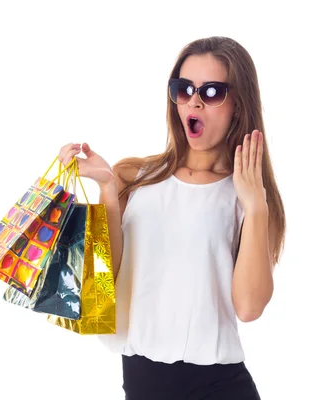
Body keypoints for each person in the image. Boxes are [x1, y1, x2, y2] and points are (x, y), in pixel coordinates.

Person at [58, 36, 286, 400]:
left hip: (220, 384)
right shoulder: (135, 176)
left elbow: (248, 307)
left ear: (238, 106)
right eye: (184, 89)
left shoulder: (248, 198)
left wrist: (256, 208)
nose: (194, 101)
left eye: (212, 92)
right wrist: (107, 194)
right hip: (143, 380)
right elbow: (106, 287)